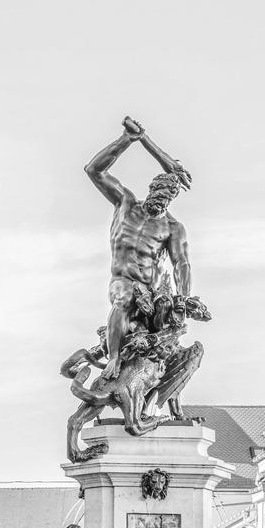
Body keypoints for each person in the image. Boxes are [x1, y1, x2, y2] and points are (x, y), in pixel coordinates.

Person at [84, 116, 197, 380]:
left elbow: (182, 264)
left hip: (150, 290)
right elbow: (94, 170)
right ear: (152, 188)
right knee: (124, 298)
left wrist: (183, 298)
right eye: (160, 193)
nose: (163, 200)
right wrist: (129, 139)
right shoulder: (126, 204)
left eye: (169, 197)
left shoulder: (172, 227)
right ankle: (113, 357)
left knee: (162, 331)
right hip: (123, 281)